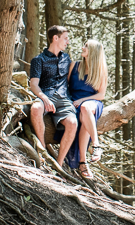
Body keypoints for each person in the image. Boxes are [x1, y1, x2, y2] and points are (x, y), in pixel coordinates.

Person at [28, 25, 79, 169]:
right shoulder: (39, 60)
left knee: (72, 123)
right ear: (55, 38)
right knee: (36, 108)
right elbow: (34, 85)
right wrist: (44, 98)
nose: (67, 42)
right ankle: (42, 151)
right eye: (65, 38)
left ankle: (59, 163)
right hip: (46, 95)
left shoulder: (67, 58)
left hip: (64, 98)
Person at [68, 38, 108, 179]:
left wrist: (82, 100)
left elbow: (101, 95)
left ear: (94, 52)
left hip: (92, 102)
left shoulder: (101, 71)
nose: (83, 47)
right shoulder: (74, 66)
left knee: (85, 109)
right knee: (84, 117)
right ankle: (83, 163)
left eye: (86, 46)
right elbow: (65, 87)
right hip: (73, 102)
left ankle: (96, 145)